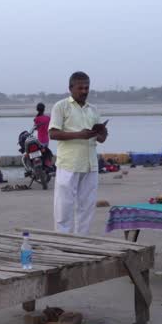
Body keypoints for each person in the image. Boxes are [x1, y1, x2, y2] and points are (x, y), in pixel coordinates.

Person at [49, 72, 108, 235]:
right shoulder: (61, 106)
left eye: (87, 87)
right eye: (80, 87)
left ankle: (82, 240)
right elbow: (53, 134)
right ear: (71, 88)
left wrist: (102, 132)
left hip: (90, 164)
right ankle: (62, 241)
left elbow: (102, 138)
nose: (84, 91)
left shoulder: (93, 110)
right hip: (69, 164)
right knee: (64, 207)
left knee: (87, 207)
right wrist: (79, 134)